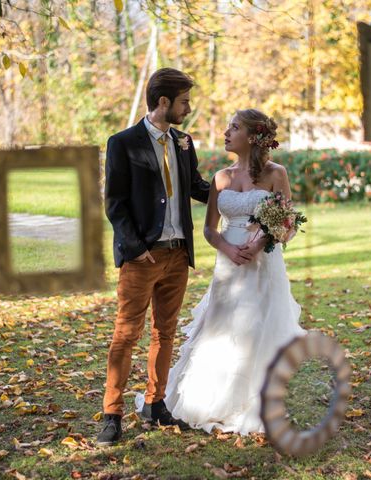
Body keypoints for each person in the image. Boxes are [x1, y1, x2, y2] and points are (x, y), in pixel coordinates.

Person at [157, 109, 305, 435]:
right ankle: (211, 400)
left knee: (256, 328)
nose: (226, 132)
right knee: (221, 328)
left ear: (253, 137)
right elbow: (210, 230)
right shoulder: (221, 177)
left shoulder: (275, 174)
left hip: (262, 263)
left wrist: (259, 243)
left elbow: (286, 220)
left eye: (234, 127)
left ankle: (255, 402)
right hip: (228, 268)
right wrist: (228, 248)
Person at [97, 68, 211, 446]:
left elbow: (196, 187)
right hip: (141, 257)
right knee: (126, 334)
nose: (188, 108)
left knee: (165, 332)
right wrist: (136, 248)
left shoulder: (183, 142)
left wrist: (244, 193)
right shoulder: (123, 143)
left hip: (178, 256)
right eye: (184, 102)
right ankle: (111, 413)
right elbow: (115, 203)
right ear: (164, 102)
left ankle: (155, 402)